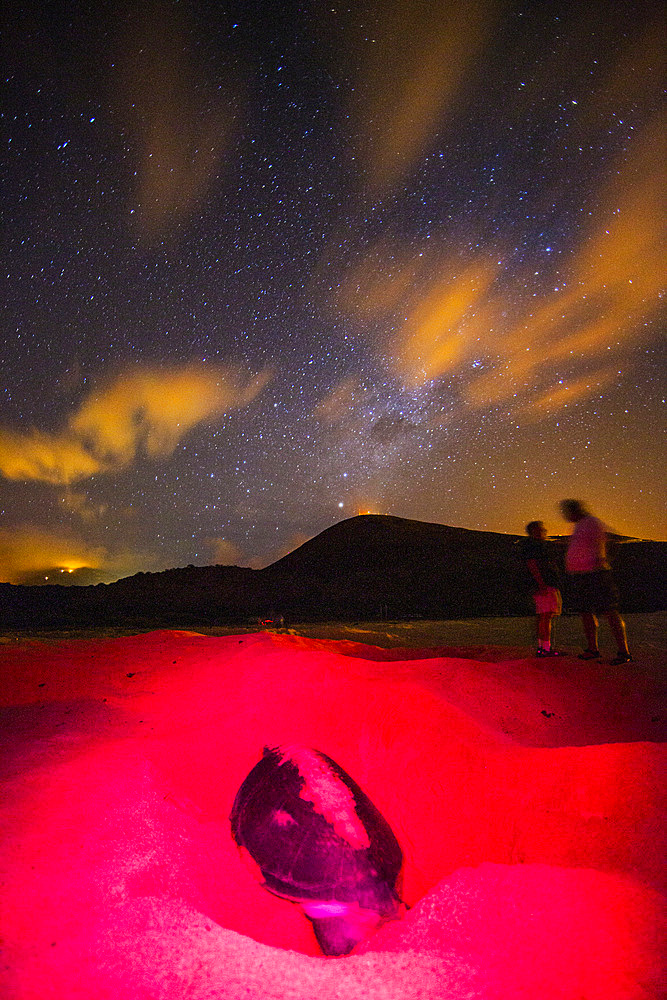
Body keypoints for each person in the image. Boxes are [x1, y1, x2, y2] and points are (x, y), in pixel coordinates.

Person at [559, 499, 632, 665]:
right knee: (586, 611)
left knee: (609, 611)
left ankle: (623, 651)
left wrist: (602, 561)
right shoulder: (580, 525)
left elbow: (612, 540)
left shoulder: (591, 522)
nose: (565, 516)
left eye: (567, 512)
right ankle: (593, 649)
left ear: (575, 510)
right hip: (581, 575)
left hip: (595, 574)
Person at [520, 521, 563, 657]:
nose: (544, 532)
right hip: (544, 585)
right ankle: (545, 649)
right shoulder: (534, 546)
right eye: (541, 530)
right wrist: (541, 583)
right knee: (546, 615)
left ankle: (542, 647)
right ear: (534, 531)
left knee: (543, 616)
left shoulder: (531, 546)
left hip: (541, 584)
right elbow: (532, 564)